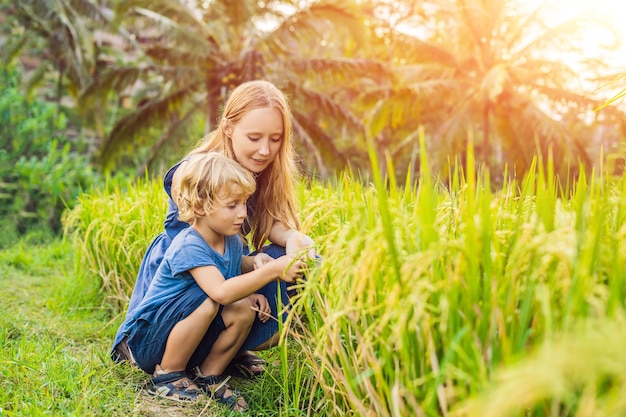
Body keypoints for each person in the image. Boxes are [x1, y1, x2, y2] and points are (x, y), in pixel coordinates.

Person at [112, 80, 316, 377]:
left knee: (304, 264)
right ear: (228, 128)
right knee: (213, 297)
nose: (264, 150)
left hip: (224, 272)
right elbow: (210, 273)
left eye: (275, 139)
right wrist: (260, 269)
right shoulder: (198, 174)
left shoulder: (257, 174)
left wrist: (295, 239)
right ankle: (174, 361)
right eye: (255, 137)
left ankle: (226, 349)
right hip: (187, 285)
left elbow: (272, 224)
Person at [122, 151, 305, 409]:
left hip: (189, 335)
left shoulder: (229, 239)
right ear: (200, 206)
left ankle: (209, 375)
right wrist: (273, 270)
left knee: (243, 309)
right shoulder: (189, 244)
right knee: (207, 302)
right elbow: (219, 291)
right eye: (232, 205)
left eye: (244, 203)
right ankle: (168, 375)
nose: (242, 213)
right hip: (151, 340)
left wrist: (254, 264)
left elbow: (231, 267)